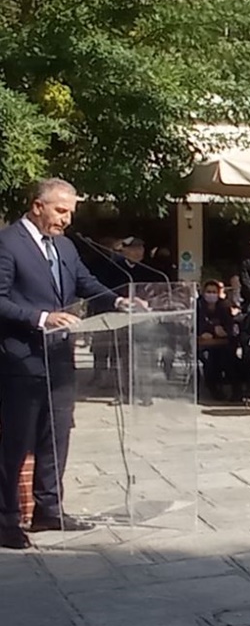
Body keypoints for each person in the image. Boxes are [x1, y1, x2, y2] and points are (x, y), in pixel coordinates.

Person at [0, 178, 143, 548]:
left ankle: (49, 510)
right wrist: (42, 318)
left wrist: (119, 301)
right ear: (37, 206)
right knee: (15, 443)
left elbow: (85, 282)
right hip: (21, 359)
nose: (66, 220)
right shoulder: (8, 243)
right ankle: (6, 520)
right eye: (61, 210)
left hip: (60, 358)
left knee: (56, 436)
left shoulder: (64, 246)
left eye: (70, 213)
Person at [197, 279, 236, 400]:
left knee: (228, 358)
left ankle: (236, 390)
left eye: (214, 292)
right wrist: (207, 331)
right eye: (208, 292)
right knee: (208, 358)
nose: (211, 294)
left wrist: (224, 332)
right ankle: (213, 390)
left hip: (222, 343)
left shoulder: (224, 306)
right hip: (202, 344)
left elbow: (229, 326)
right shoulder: (198, 306)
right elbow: (196, 324)